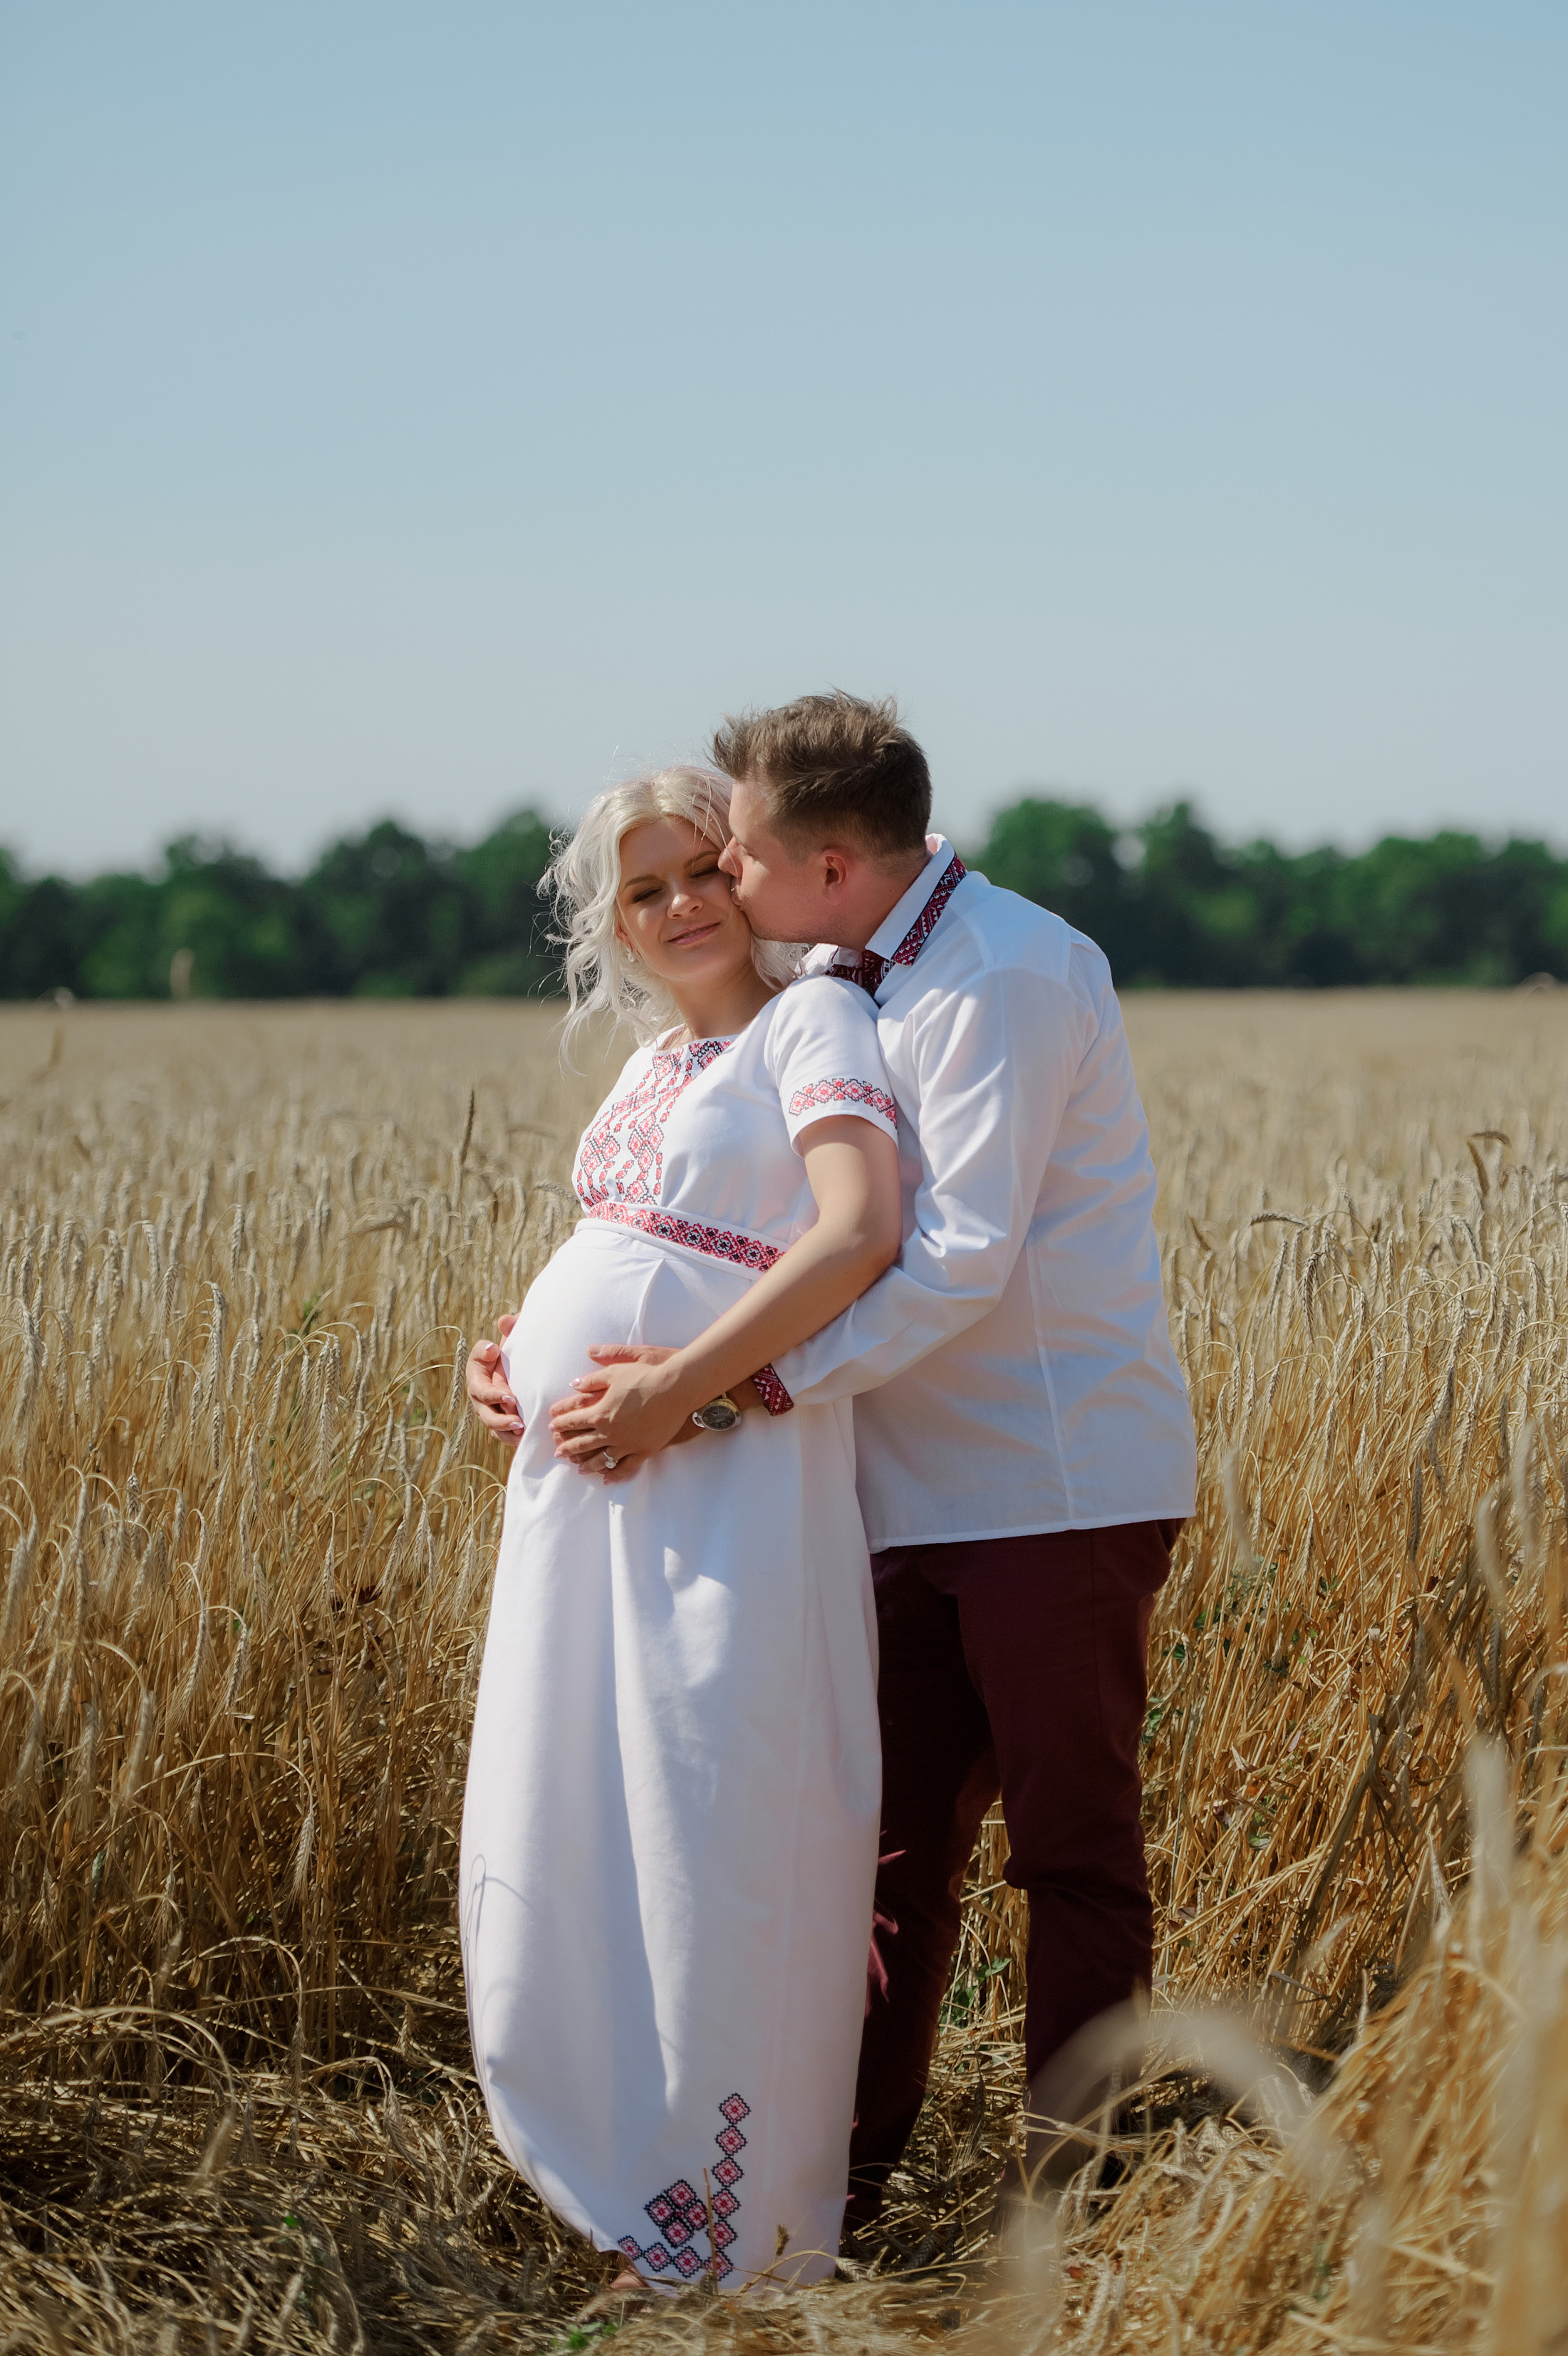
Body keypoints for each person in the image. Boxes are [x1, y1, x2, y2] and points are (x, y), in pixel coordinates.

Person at [536, 693, 1198, 2222]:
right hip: (890, 1489)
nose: (720, 884)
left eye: (743, 854)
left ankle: (1073, 2213)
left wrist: (724, 1393)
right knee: (886, 1855)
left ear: (831, 865)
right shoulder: (836, 978)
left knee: (1071, 1851)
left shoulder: (1008, 978)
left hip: (1054, 1486)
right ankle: (837, 2191)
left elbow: (950, 1262)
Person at [459, 764, 906, 2292]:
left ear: (752, 868)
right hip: (589, 1505)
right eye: (643, 891)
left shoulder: (815, 1020)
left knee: (717, 1810)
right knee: (583, 1799)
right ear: (618, 926)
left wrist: (672, 1393)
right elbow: (634, 1248)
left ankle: (740, 2228)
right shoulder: (652, 1064)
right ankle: (610, 2176)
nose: (681, 906)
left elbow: (859, 1234)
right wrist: (518, 1346)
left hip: (730, 1490)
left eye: (701, 869)